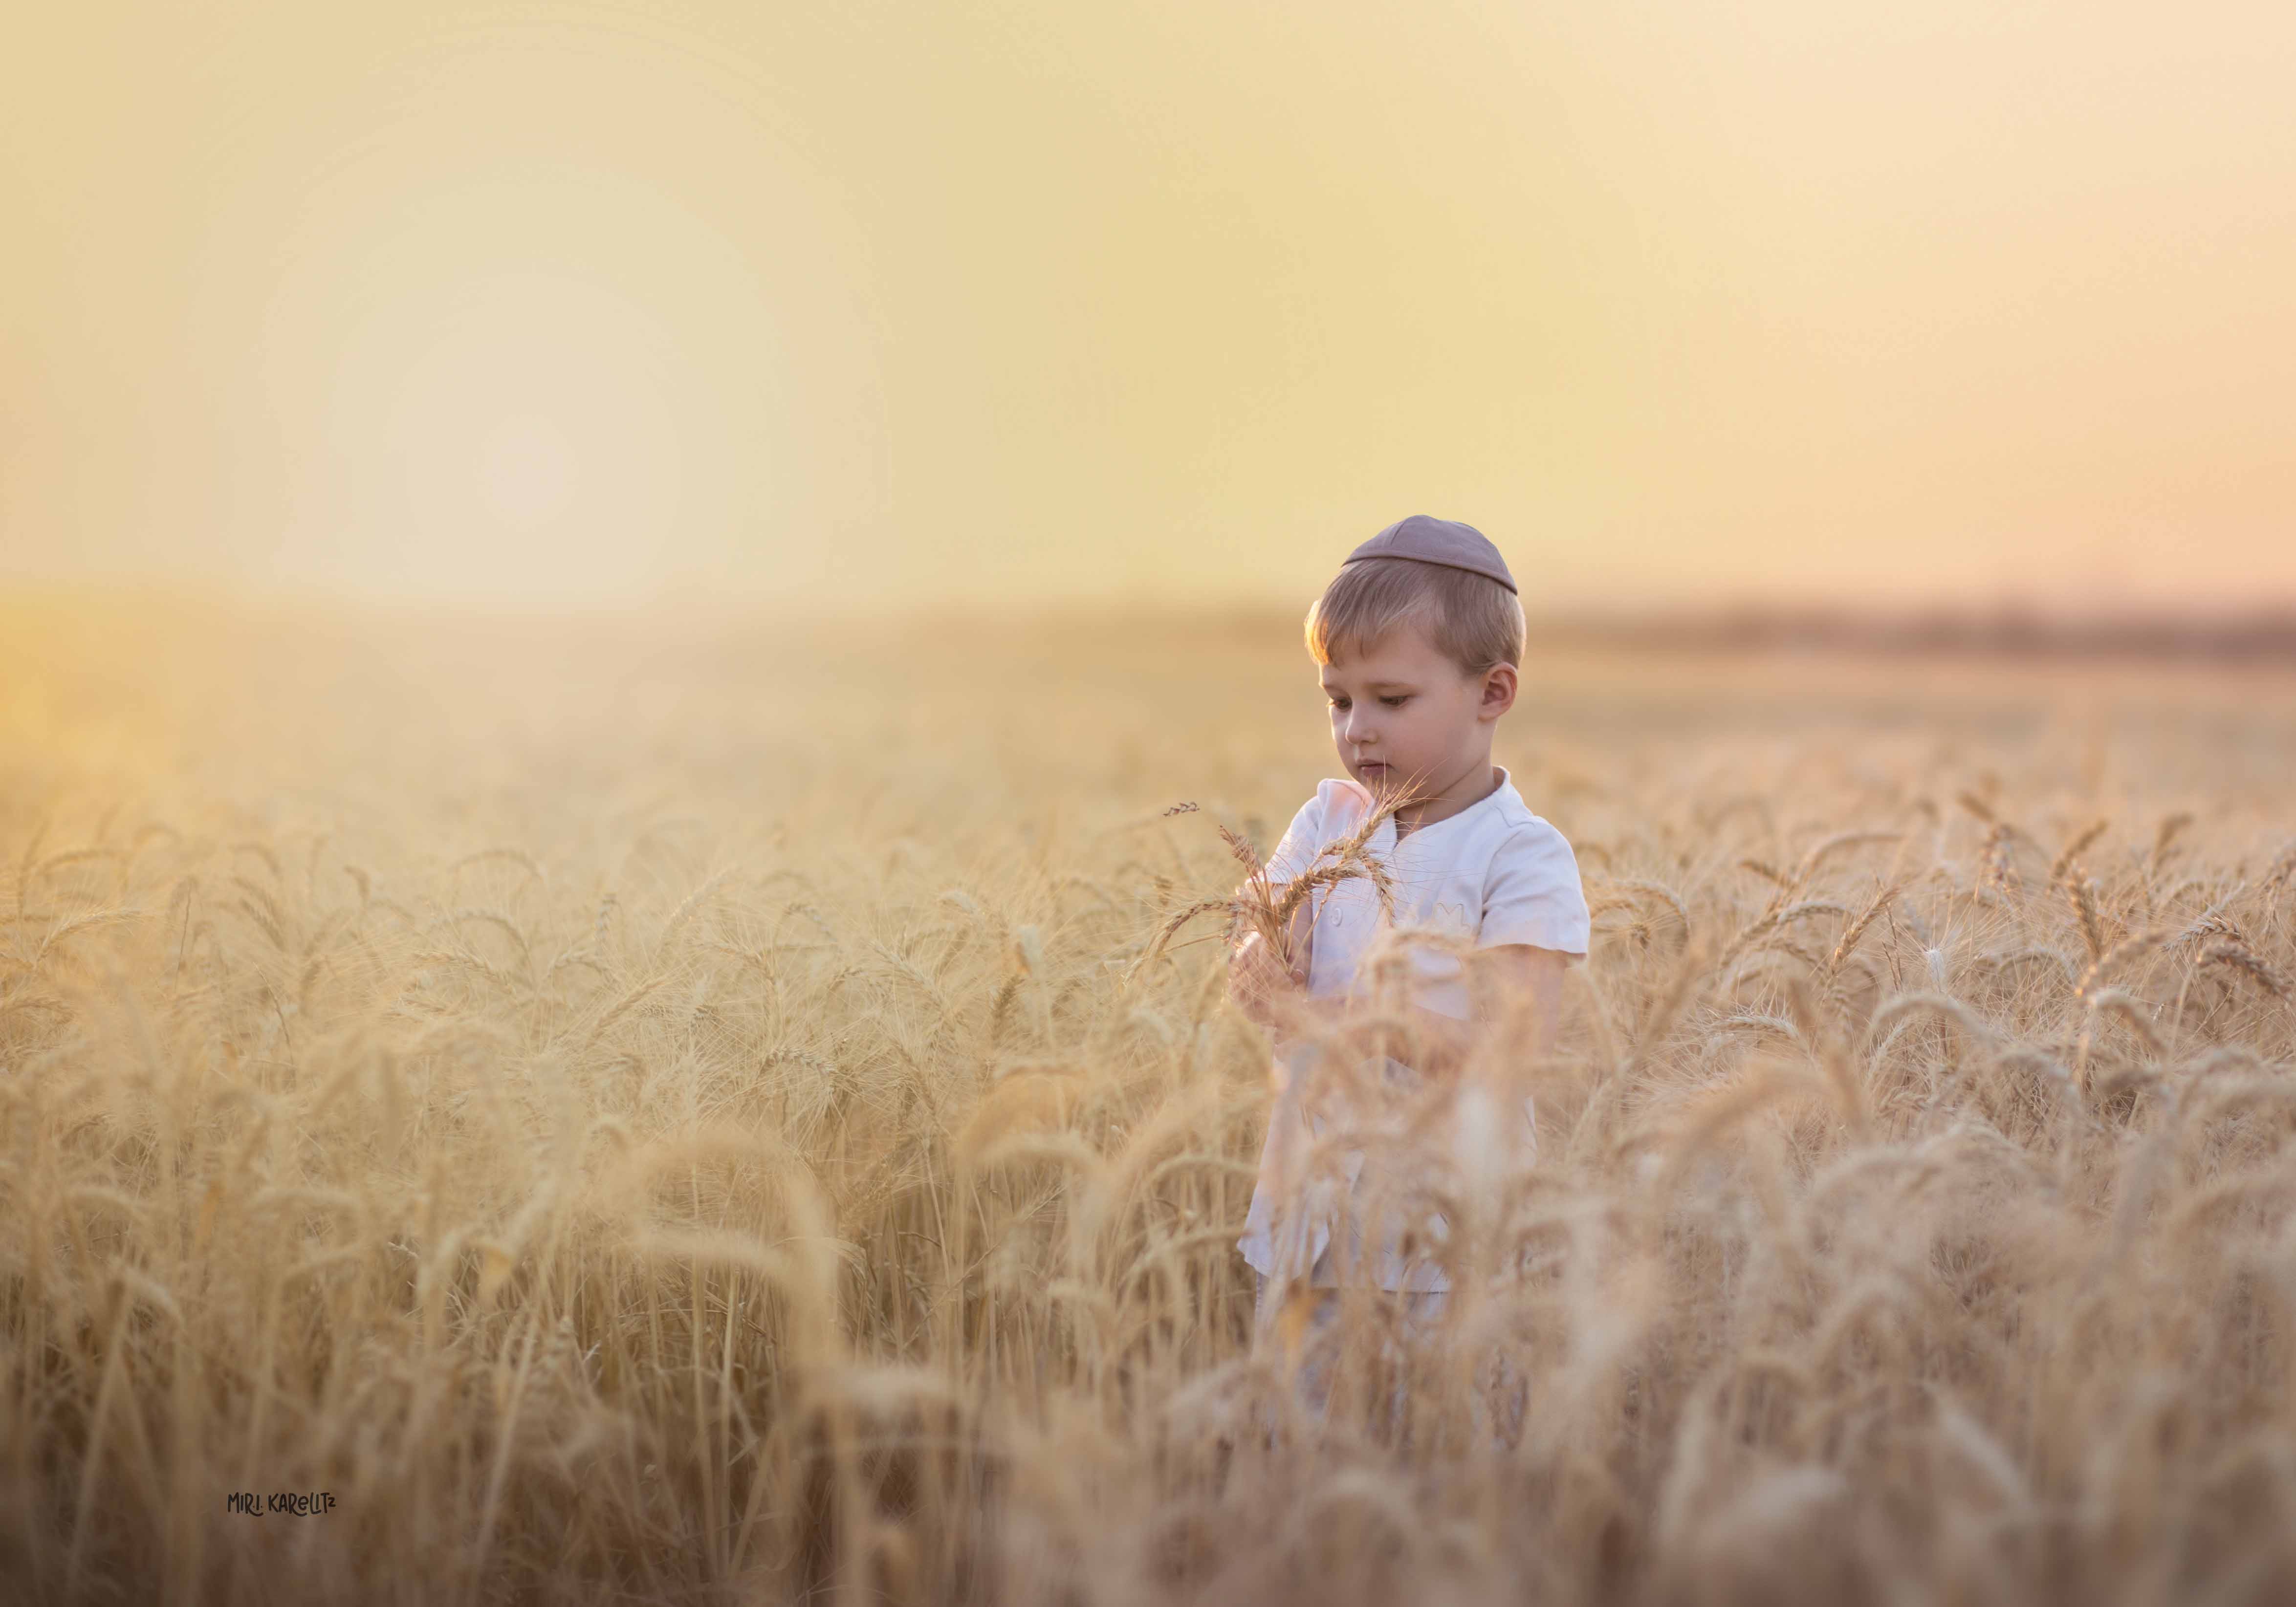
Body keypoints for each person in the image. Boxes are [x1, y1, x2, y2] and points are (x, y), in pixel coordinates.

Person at [1226, 514, 1591, 1433]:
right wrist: (1259, 958)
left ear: (1491, 692)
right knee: (1299, 1452)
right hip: (1307, 1216)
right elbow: (1258, 933)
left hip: (1448, 1238)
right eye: (1337, 700)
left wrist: (1338, 1022)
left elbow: (1513, 1044)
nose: (1357, 731)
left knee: (1442, 1461)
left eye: (1389, 699)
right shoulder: (1329, 821)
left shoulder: (1521, 855)